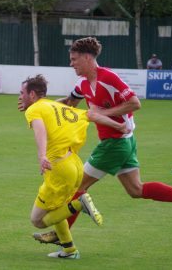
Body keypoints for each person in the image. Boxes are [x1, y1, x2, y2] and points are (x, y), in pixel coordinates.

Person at [33, 37, 172, 245]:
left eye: (74, 59)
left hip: (115, 143)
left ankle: (61, 235)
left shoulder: (108, 78)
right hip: (125, 143)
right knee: (136, 190)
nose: (71, 63)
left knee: (76, 188)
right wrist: (39, 106)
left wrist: (104, 113)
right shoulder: (82, 83)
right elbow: (67, 104)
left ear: (86, 58)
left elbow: (134, 103)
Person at [19, 74, 129, 259]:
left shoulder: (35, 110)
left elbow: (40, 131)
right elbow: (91, 115)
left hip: (59, 168)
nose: (19, 96)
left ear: (32, 94)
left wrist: (42, 156)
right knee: (57, 208)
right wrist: (119, 127)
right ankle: (69, 250)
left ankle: (79, 204)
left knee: (37, 220)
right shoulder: (59, 107)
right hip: (74, 165)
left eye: (22, 93)